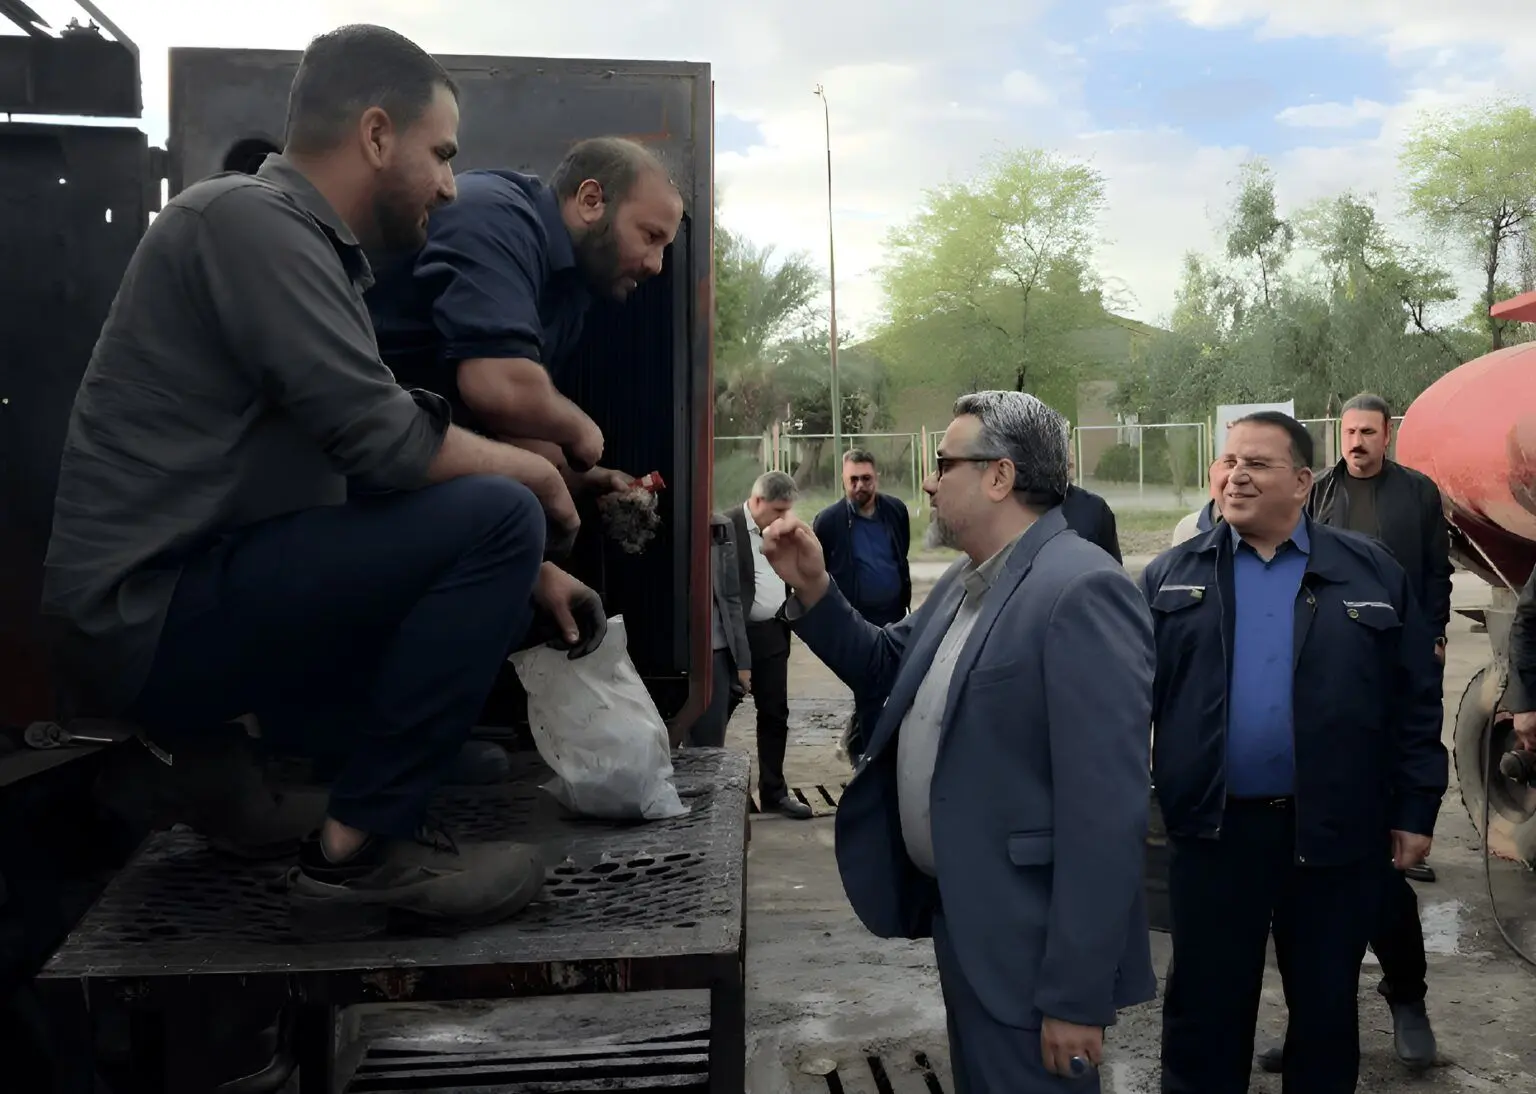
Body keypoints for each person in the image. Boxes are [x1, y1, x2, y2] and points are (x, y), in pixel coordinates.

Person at [40, 25, 606, 940]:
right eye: (442, 154)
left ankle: (307, 771)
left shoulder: (300, 247)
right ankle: (361, 848)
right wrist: (538, 473)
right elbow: (383, 440)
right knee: (503, 513)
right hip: (146, 617)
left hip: (192, 597)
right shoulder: (245, 222)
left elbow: (349, 470)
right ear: (376, 135)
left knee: (500, 542)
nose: (451, 185)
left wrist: (531, 572)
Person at [763, 391, 1157, 1092]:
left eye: (945, 464)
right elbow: (886, 666)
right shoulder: (967, 579)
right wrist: (815, 588)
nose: (929, 482)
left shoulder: (1081, 589)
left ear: (1000, 476)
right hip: (971, 923)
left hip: (1029, 949)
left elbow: (1105, 817)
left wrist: (1075, 995)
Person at [1143, 410, 1447, 1094]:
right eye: (1228, 462)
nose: (1236, 476)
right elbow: (1127, 706)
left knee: (1324, 1009)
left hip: (1333, 833)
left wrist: (1415, 806)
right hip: (1213, 835)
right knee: (1204, 1012)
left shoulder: (1369, 571)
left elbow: (1415, 699)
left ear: (1303, 482)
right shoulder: (1171, 576)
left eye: (1257, 464)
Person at [1247, 392, 1454, 1072]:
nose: (1357, 441)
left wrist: (1432, 635)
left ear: (1387, 435)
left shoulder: (1417, 495)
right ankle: (1309, 1025)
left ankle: (1407, 997)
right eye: (1349, 431)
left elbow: (1435, 573)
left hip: (1388, 685)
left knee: (1383, 888)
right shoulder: (1320, 494)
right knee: (1300, 899)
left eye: (1368, 431)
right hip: (1323, 704)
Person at [365, 135, 684, 494]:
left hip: (413, 443)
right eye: (651, 236)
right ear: (591, 200)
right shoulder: (494, 216)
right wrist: (581, 430)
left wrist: (586, 477)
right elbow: (498, 388)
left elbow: (513, 421)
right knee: (514, 508)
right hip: (352, 443)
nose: (657, 265)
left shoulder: (568, 291)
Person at [812, 448, 911, 763]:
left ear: (876, 478)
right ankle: (867, 758)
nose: (860, 486)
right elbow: (820, 571)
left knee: (889, 686)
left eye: (866, 478)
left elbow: (901, 554)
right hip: (855, 620)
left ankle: (858, 745)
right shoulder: (829, 522)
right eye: (853, 479)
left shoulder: (895, 511)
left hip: (893, 616)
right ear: (843, 480)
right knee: (870, 687)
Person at [728, 472, 813, 819]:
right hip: (733, 637)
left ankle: (774, 792)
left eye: (787, 510)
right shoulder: (726, 527)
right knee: (716, 715)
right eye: (778, 510)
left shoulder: (783, 530)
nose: (783, 518)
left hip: (773, 634)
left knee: (775, 714)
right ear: (757, 500)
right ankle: (707, 793)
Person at [685, 512, 752, 748]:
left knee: (708, 747)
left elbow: (731, 598)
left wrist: (742, 662)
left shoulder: (720, 528)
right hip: (669, 654)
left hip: (714, 654)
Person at [1060, 447, 1122, 561]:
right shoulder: (1026, 507)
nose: (1070, 453)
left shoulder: (1096, 508)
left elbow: (1113, 566)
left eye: (1068, 443)